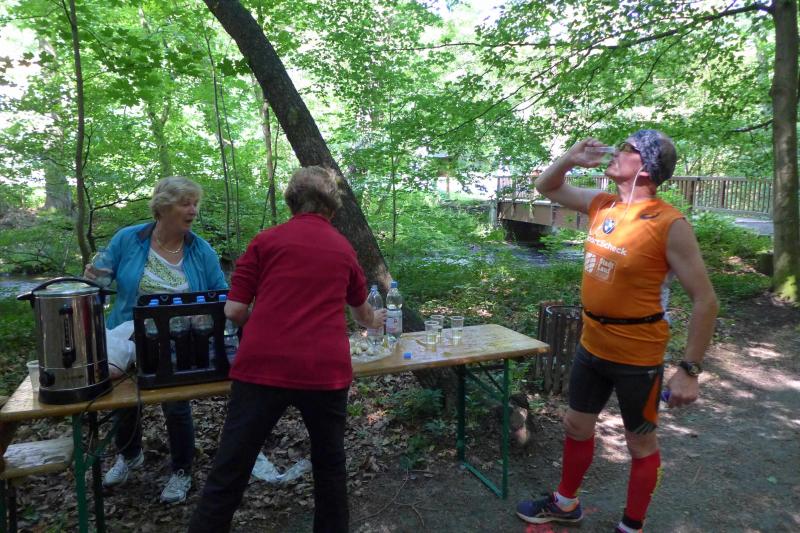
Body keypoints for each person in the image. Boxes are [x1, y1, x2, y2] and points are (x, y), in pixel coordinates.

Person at [515, 130, 718, 533]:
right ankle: (565, 504)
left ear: (646, 168)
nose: (615, 150)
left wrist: (690, 370)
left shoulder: (669, 223)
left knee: (639, 444)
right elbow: (546, 187)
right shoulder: (602, 204)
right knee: (576, 426)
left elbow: (706, 301)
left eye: (626, 148)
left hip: (638, 357)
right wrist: (570, 157)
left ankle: (631, 525)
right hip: (591, 345)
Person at [187, 166, 386, 533]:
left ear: (292, 202)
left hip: (262, 366)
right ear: (332, 207)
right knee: (329, 465)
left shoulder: (265, 241)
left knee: (231, 465)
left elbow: (234, 310)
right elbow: (362, 315)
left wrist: (264, 323)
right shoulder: (343, 248)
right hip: (324, 370)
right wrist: (376, 319)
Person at [84, 176, 227, 504]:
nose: (193, 210)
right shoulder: (129, 239)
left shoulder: (200, 250)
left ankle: (182, 470)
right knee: (121, 397)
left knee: (176, 403)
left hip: (180, 337)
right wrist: (93, 277)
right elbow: (97, 283)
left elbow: (222, 295)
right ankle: (129, 454)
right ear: (162, 207)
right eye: (185, 203)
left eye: (195, 203)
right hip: (127, 330)